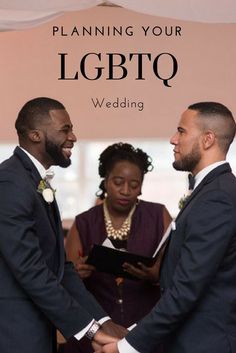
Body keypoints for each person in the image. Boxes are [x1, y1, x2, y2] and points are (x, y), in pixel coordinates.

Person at [97, 102, 236, 353]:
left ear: (207, 139)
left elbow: (186, 289)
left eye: (181, 131)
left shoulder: (217, 197)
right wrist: (134, 332)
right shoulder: (211, 191)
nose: (173, 139)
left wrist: (126, 347)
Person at [0, 97, 125, 353]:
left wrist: (103, 321)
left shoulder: (34, 180)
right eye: (65, 129)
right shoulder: (10, 183)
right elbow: (30, 269)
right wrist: (91, 330)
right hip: (14, 332)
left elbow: (60, 267)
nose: (74, 136)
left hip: (36, 329)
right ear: (36, 135)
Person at [64, 142, 172, 353]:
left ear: (141, 186)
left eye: (134, 184)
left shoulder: (159, 216)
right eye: (118, 182)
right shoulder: (84, 222)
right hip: (97, 329)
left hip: (145, 327)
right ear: (105, 181)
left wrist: (156, 276)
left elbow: (176, 273)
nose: (126, 191)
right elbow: (67, 279)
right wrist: (79, 273)